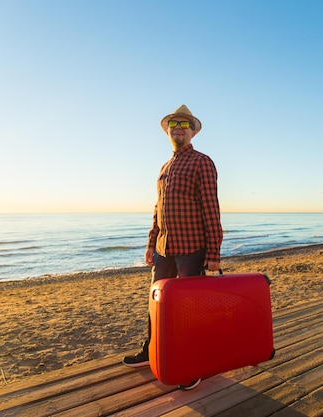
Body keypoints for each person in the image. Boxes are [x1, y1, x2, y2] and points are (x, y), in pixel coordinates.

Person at [122, 104, 223, 390]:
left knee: (189, 310)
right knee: (157, 304)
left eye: (184, 124)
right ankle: (151, 349)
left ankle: (192, 363)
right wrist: (151, 243)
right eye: (173, 124)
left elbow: (211, 208)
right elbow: (158, 209)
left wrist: (213, 252)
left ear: (192, 132)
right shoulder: (164, 167)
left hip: (192, 248)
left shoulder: (202, 161)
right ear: (168, 130)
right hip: (163, 249)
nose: (178, 128)